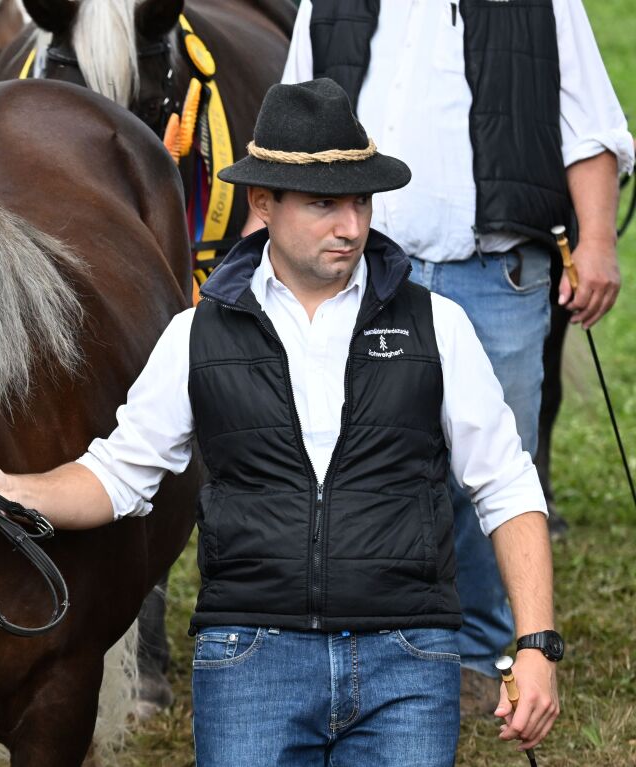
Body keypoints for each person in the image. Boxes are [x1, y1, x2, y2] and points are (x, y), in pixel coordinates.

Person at [0, 80, 560, 765]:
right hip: (251, 657)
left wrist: (534, 643)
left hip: (407, 655)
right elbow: (118, 476)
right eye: (325, 204)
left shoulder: (436, 325)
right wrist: (14, 488)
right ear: (264, 204)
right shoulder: (195, 336)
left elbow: (506, 484)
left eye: (360, 201)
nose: (350, 226)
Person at [282, 0, 633, 713]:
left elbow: (591, 124)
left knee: (493, 469)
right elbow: (291, 125)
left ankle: (480, 650)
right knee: (363, 459)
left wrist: (596, 239)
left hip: (496, 272)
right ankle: (374, 640)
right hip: (368, 271)